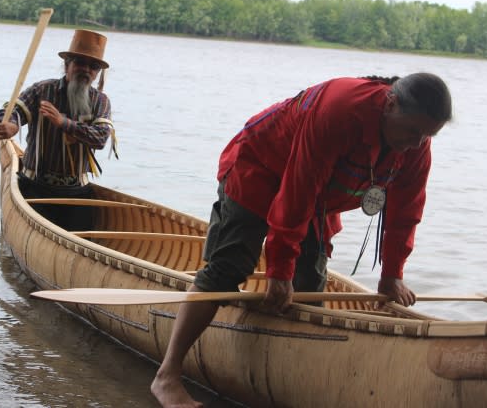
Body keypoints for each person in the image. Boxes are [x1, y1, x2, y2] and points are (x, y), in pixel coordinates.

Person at [150, 73, 453, 408]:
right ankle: (167, 376)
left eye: (428, 135)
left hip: (318, 197)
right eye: (413, 131)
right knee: (227, 268)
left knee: (308, 285)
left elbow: (405, 211)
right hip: (260, 167)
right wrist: (279, 271)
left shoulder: (417, 147)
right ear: (390, 104)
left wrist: (392, 274)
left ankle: (293, 379)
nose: (418, 143)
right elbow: (298, 190)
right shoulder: (340, 110)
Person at [0, 29, 116, 231]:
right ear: (67, 65)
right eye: (79, 63)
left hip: (77, 192)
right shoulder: (42, 90)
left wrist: (63, 122)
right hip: (34, 188)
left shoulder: (100, 101)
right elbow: (7, 112)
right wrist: (10, 126)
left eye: (92, 67)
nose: (86, 70)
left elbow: (101, 138)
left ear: (97, 74)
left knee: (83, 236)